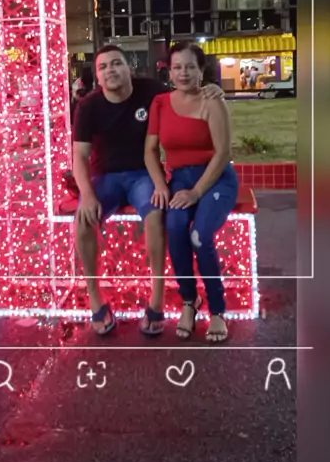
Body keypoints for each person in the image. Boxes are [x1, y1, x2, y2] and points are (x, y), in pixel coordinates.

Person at [73, 44, 223, 337]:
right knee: (83, 220)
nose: (110, 70)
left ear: (129, 68)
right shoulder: (88, 107)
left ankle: (156, 301)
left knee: (156, 215)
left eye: (116, 63)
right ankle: (95, 300)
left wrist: (211, 89)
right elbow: (79, 156)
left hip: (143, 175)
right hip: (105, 177)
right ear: (97, 77)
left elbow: (186, 91)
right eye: (103, 67)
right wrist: (87, 194)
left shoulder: (151, 91)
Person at [144, 41, 238, 343]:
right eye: (177, 67)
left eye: (190, 67)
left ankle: (217, 310)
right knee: (175, 229)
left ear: (201, 70)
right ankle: (190, 301)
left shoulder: (213, 101)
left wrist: (197, 192)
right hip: (180, 180)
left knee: (200, 236)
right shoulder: (160, 103)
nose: (183, 73)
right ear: (169, 71)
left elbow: (223, 154)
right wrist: (161, 184)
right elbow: (150, 151)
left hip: (216, 179)